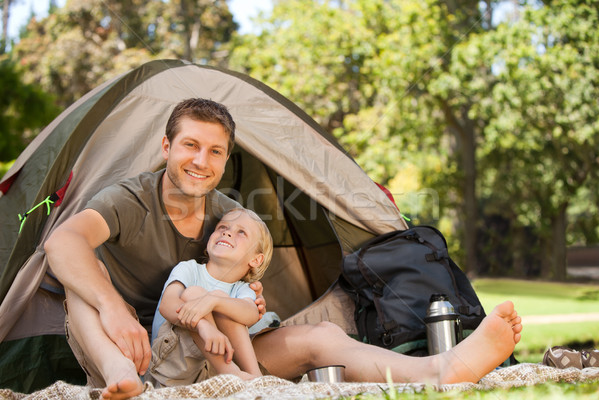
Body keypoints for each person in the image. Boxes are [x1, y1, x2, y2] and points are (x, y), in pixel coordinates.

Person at [45, 98, 523, 400]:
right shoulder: (130, 199)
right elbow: (61, 241)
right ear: (166, 146)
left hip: (216, 353)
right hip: (138, 350)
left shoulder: (231, 215)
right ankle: (121, 380)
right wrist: (114, 310)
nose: (200, 161)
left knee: (321, 340)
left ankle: (439, 369)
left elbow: (248, 299)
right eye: (190, 145)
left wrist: (245, 303)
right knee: (82, 283)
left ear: (226, 159)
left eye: (215, 152)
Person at [150, 208, 273, 385]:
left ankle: (255, 379)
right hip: (168, 368)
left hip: (210, 373)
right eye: (222, 227)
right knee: (194, 293)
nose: (227, 233)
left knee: (229, 305)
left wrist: (214, 301)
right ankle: (232, 374)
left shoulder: (243, 289)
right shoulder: (189, 269)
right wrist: (202, 326)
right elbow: (167, 305)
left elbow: (251, 314)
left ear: (256, 259)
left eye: (241, 232)